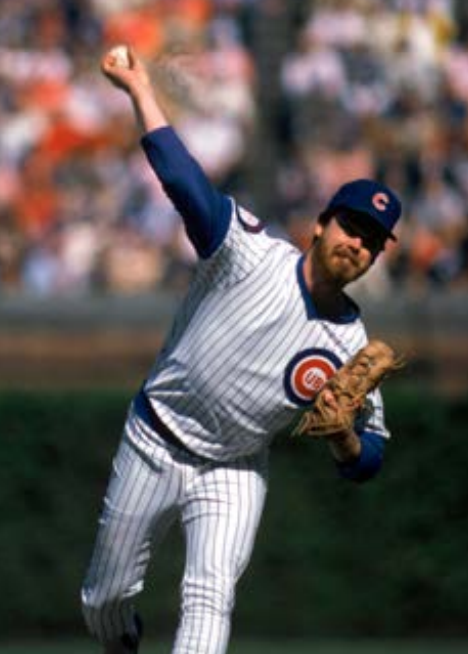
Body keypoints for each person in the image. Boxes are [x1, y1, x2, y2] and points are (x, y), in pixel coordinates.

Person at [81, 45, 402, 654]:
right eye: (351, 227)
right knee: (104, 599)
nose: (358, 244)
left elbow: (370, 460)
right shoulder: (249, 255)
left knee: (209, 597)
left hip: (234, 468)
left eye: (373, 241)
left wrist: (347, 439)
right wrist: (140, 91)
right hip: (156, 435)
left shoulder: (352, 346)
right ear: (320, 224)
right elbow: (185, 184)